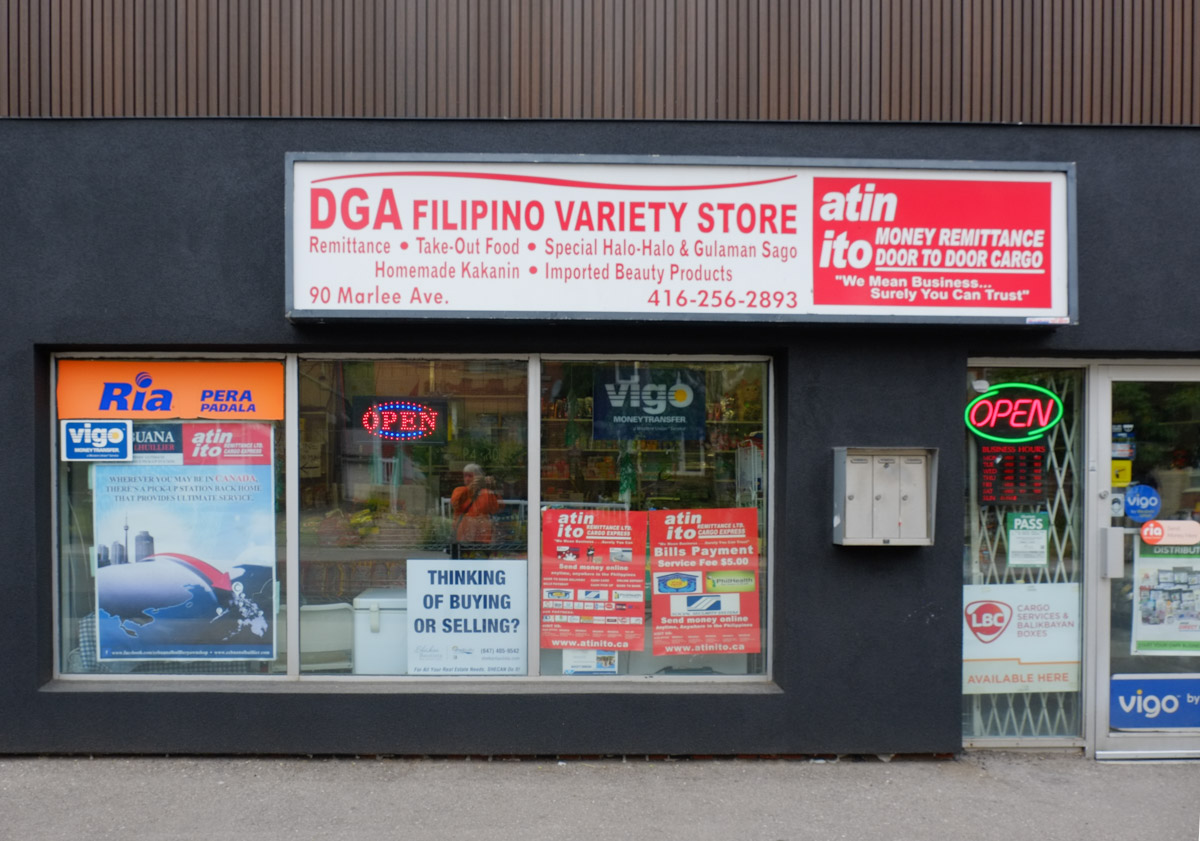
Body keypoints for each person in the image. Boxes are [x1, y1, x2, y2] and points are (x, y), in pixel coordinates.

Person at [450, 463, 501, 555]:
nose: (467, 479)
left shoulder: (486, 492)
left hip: (484, 536)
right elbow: (455, 504)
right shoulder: (459, 490)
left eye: (470, 476)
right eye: (465, 476)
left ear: (479, 478)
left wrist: (493, 489)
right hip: (464, 535)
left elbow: (496, 509)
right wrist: (470, 488)